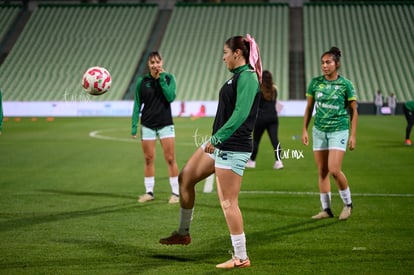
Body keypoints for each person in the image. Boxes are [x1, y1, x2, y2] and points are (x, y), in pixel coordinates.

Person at [159, 34, 262, 269]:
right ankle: (183, 233)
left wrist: (217, 138)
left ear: (237, 54)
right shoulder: (236, 77)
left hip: (232, 146)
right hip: (221, 144)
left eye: (225, 53)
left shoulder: (247, 77)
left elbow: (241, 114)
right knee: (185, 178)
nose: (223, 57)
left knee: (228, 203)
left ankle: (241, 257)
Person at [302, 46, 358, 221]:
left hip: (338, 130)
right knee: (322, 171)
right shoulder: (315, 83)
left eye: (328, 62)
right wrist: (304, 129)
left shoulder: (346, 85)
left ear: (337, 64)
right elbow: (309, 107)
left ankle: (348, 204)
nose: (324, 65)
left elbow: (354, 111)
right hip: (319, 131)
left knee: (334, 169)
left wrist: (353, 135)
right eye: (322, 62)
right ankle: (326, 209)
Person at [131, 51, 179, 204]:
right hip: (148, 125)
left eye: (158, 62)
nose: (156, 65)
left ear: (162, 62)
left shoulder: (169, 78)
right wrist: (133, 127)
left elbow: (170, 97)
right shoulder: (141, 82)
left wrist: (162, 80)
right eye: (152, 63)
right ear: (148, 65)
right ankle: (149, 192)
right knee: (148, 159)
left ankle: (176, 194)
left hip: (165, 124)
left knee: (170, 159)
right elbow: (137, 104)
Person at [246, 70, 284, 169]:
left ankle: (252, 161)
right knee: (275, 140)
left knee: (256, 141)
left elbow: (254, 105)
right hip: (273, 118)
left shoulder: (259, 90)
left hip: (261, 118)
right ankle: (279, 162)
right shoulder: (274, 90)